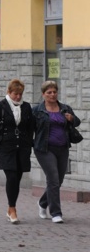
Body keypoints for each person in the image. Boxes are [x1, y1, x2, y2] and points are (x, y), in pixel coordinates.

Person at [32, 80, 81, 224]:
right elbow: (28, 128)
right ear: (43, 94)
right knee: (53, 178)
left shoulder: (65, 108)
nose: (52, 95)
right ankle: (56, 213)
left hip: (62, 148)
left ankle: (42, 203)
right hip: (44, 149)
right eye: (49, 92)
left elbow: (77, 122)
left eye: (54, 92)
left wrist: (72, 118)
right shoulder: (37, 110)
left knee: (58, 181)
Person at [0, 78, 34, 224]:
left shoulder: (26, 107)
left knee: (17, 179)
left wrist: (29, 141)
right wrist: (0, 139)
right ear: (9, 92)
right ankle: (12, 208)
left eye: (20, 94)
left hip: (22, 148)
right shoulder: (0, 106)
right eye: (15, 94)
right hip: (6, 148)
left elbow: (30, 126)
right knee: (12, 177)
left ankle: (10, 208)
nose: (18, 97)